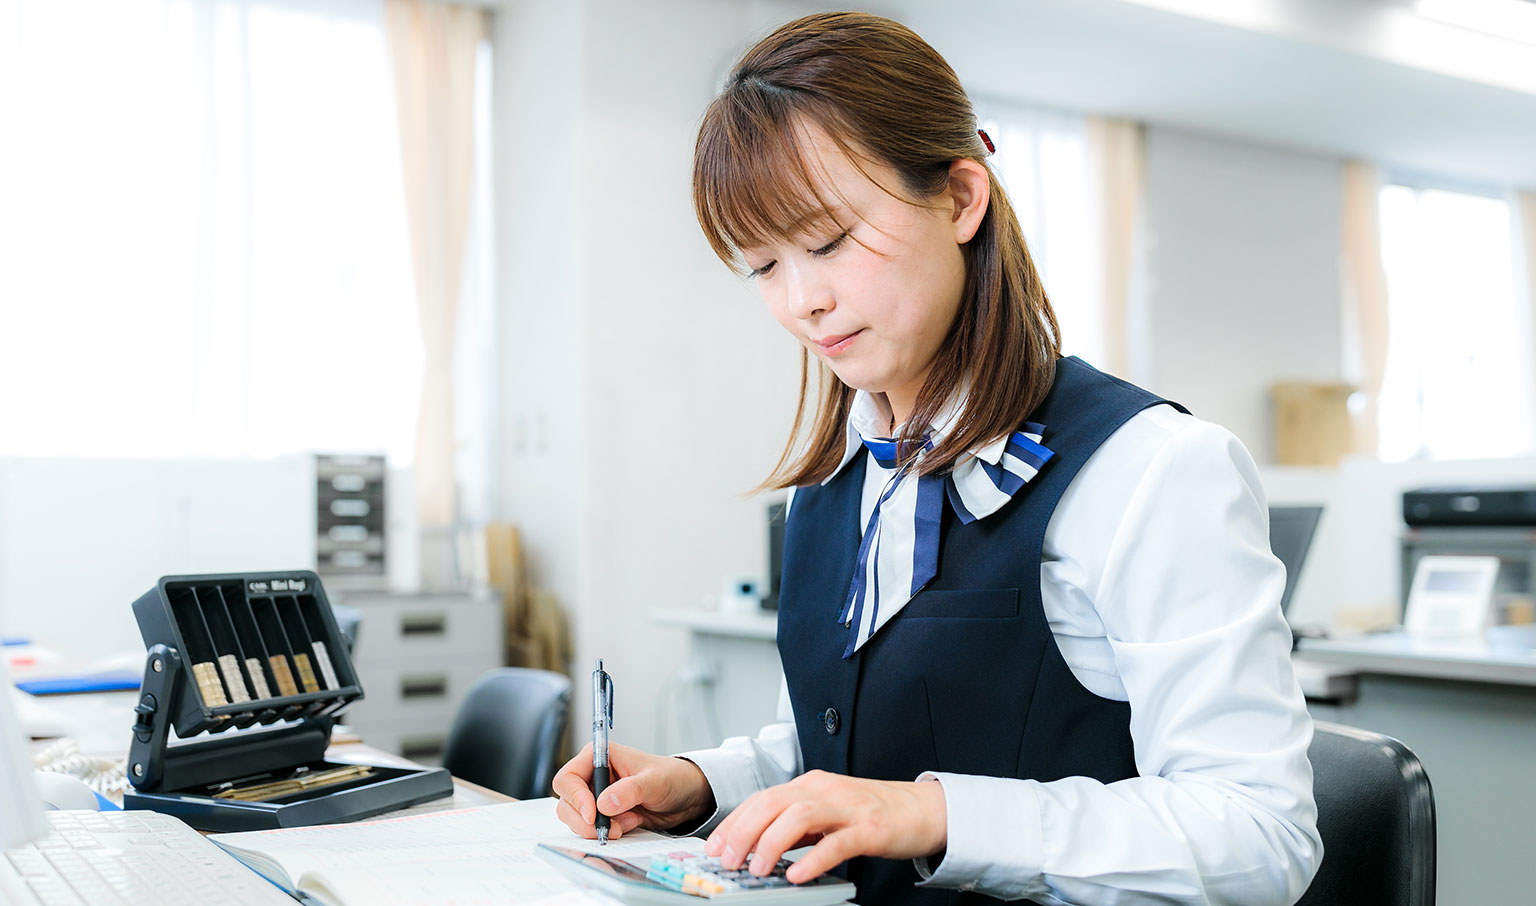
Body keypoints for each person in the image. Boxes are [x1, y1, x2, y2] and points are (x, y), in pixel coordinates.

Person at [552, 11, 1322, 905]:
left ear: (960, 199)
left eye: (829, 241)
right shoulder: (837, 484)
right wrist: (707, 782)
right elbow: (850, 746)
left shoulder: (1153, 469)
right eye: (761, 266)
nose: (802, 301)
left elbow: (1263, 836)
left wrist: (935, 816)